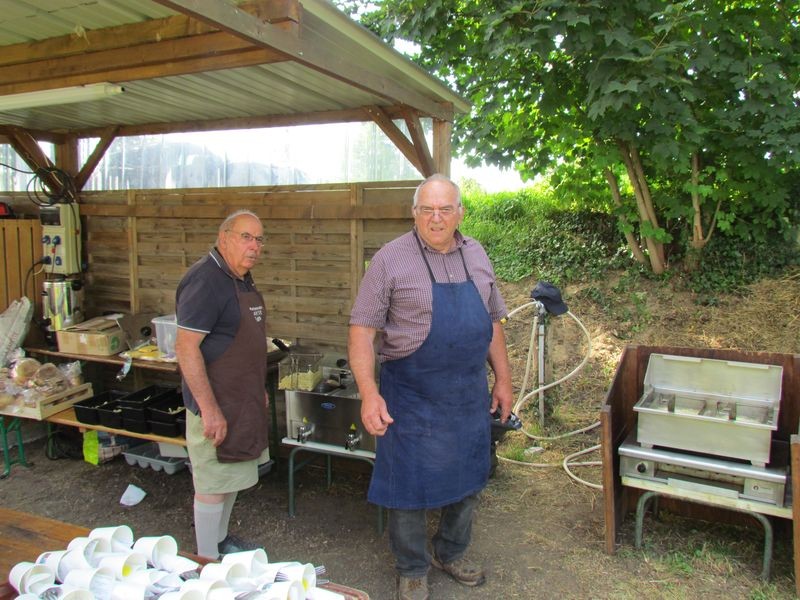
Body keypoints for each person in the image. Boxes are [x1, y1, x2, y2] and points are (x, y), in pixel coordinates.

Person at [348, 174, 514, 600]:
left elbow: (493, 321)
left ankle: (451, 552)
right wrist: (370, 393)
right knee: (407, 487)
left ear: (460, 212)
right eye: (427, 209)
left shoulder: (476, 254)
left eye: (445, 209)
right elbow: (362, 331)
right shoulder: (389, 259)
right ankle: (412, 568)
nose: (436, 218)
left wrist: (504, 381)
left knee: (470, 476)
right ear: (414, 213)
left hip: (467, 394)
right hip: (412, 395)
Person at [175, 209, 270, 559]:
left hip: (240, 400)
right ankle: (206, 561)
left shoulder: (241, 278)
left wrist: (256, 388)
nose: (255, 246)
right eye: (246, 237)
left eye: (259, 239)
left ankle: (219, 541)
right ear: (224, 236)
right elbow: (186, 348)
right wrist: (210, 410)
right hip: (215, 405)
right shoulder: (205, 281)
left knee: (231, 479)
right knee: (212, 485)